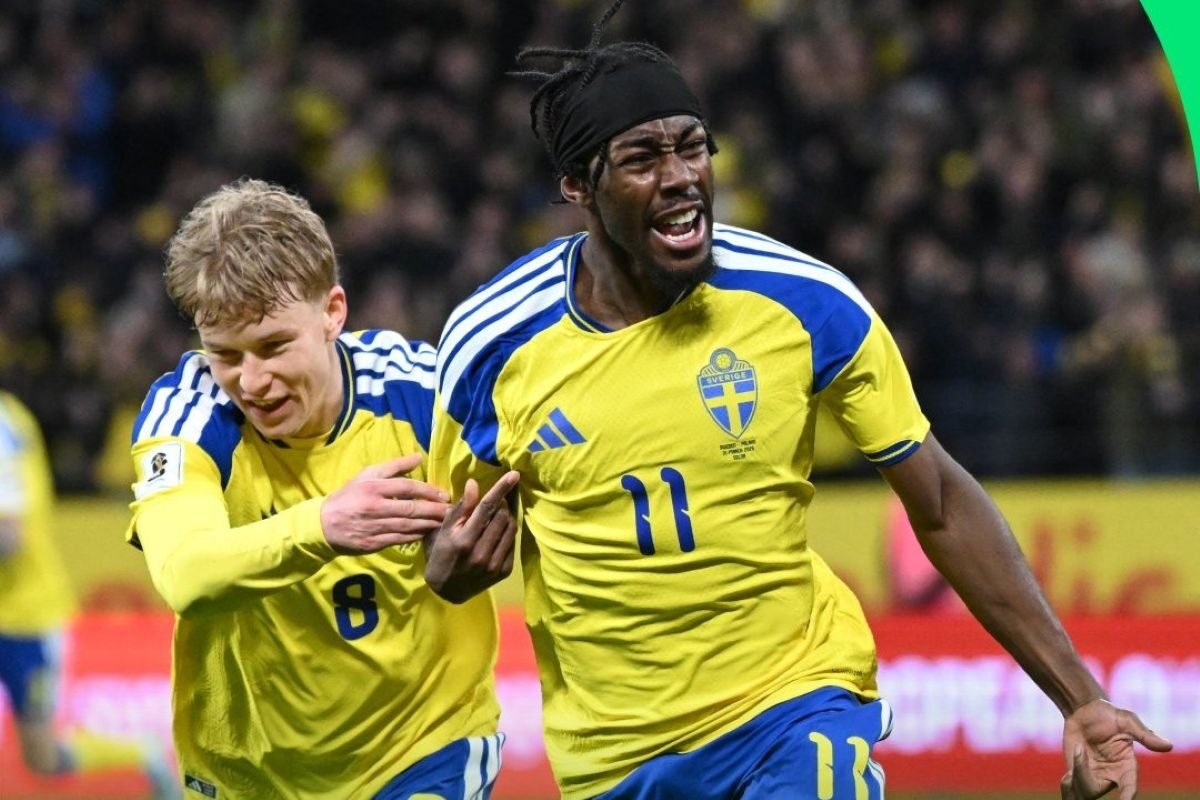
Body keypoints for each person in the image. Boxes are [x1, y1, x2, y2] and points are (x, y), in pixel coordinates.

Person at [426, 2, 1173, 798]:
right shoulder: (491, 345)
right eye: (643, 156)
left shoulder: (804, 303)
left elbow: (943, 501)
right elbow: (444, 539)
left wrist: (1081, 698)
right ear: (578, 186)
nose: (681, 176)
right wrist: (448, 571)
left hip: (793, 706)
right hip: (614, 756)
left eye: (692, 147)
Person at [126, 178, 518, 798]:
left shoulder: (427, 397)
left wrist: (477, 553)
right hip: (250, 773)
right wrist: (324, 525)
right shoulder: (189, 416)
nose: (251, 381)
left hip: (423, 747)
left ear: (333, 311)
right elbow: (183, 573)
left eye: (274, 345)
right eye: (225, 354)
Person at [0, 389, 179, 799]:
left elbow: (8, 536)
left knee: (43, 759)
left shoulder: (3, 425)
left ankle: (145, 753)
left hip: (26, 618)